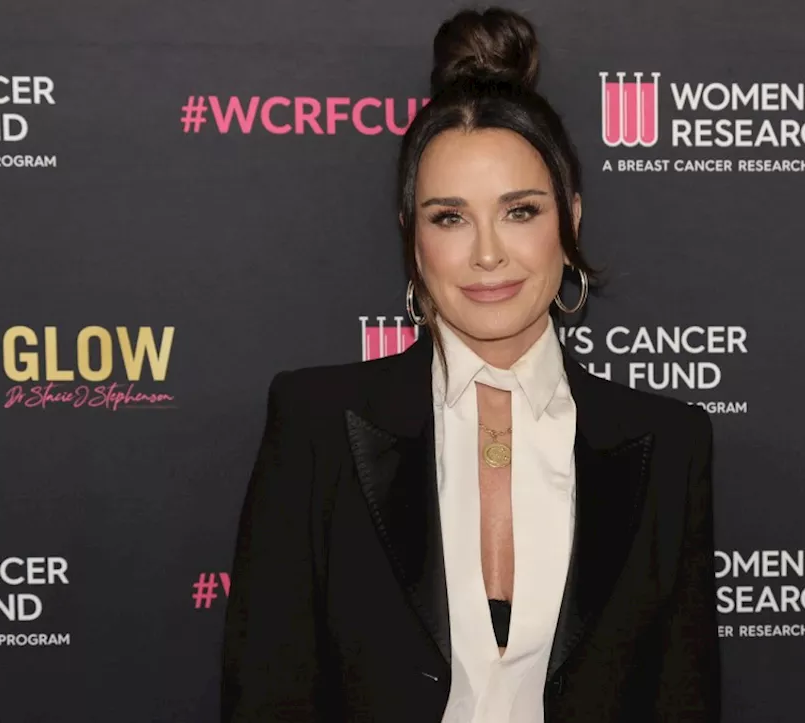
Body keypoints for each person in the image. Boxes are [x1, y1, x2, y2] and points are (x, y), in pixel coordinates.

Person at [220, 7, 718, 722]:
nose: (487, 254)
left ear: (570, 219)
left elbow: (682, 701)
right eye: (450, 217)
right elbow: (267, 696)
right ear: (412, 238)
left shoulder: (669, 444)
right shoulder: (316, 427)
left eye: (520, 211)